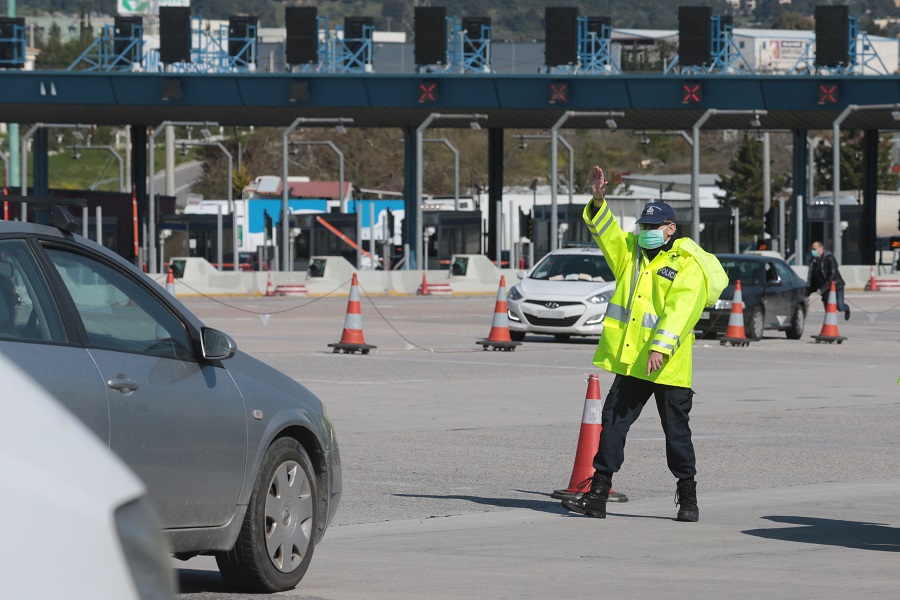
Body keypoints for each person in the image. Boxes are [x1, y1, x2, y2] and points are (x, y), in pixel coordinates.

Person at [561, 166, 727, 522]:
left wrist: (661, 348)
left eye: (654, 228)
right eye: (643, 227)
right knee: (612, 424)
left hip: (668, 365)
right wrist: (598, 200)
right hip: (633, 361)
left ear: (671, 229)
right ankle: (598, 495)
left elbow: (680, 312)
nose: (646, 233)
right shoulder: (630, 255)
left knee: (676, 433)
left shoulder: (688, 264)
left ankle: (688, 498)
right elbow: (605, 234)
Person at [807, 241, 850, 321]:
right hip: (825, 289)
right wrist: (807, 292)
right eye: (812, 249)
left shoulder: (829, 258)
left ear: (821, 248)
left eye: (814, 249)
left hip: (836, 286)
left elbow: (832, 276)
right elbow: (812, 278)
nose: (813, 251)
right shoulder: (813, 262)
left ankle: (846, 308)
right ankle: (829, 325)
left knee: (839, 306)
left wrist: (822, 288)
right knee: (828, 310)